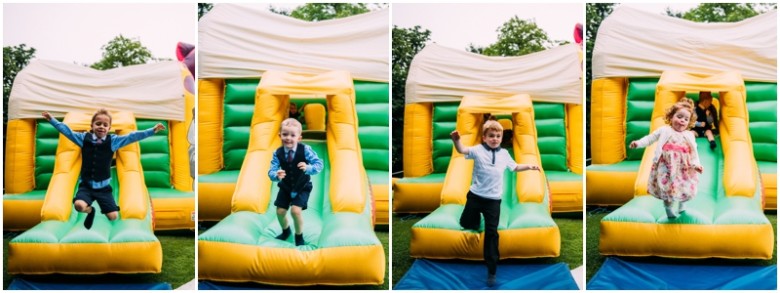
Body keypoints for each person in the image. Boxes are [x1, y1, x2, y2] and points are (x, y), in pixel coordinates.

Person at [450, 119, 540, 287]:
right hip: (475, 196)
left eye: (498, 136)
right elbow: (462, 150)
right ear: (484, 137)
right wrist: (456, 140)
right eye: (491, 136)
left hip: (493, 201)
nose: (495, 139)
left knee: (492, 233)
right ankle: (473, 219)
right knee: (467, 222)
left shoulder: (504, 154)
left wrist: (529, 166)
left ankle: (491, 269)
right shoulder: (477, 150)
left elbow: (514, 167)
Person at [42, 109, 165, 229]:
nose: (101, 126)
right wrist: (51, 120)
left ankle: (105, 207)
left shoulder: (113, 141)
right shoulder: (83, 138)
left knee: (113, 216)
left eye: (105, 125)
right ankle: (90, 210)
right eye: (98, 123)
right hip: (86, 185)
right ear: (92, 125)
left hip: (104, 189)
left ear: (109, 128)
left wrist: (152, 130)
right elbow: (67, 132)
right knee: (79, 205)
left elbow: (132, 136)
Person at [629, 98, 704, 219]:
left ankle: (682, 205)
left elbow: (693, 152)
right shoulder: (664, 130)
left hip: (684, 167)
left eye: (686, 119)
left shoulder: (689, 135)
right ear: (671, 116)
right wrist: (638, 143)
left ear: (689, 122)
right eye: (679, 116)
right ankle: (668, 209)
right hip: (667, 167)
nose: (682, 121)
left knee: (684, 186)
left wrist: (696, 164)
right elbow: (650, 138)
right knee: (668, 189)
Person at [268, 118, 323, 246]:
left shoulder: (305, 150)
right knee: (280, 212)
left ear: (299, 138)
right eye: (285, 134)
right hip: (286, 187)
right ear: (279, 135)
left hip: (302, 186)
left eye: (293, 135)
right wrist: (276, 174)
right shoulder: (277, 153)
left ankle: (299, 236)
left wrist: (309, 168)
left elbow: (319, 164)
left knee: (295, 211)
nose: (288, 138)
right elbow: (272, 170)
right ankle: (286, 231)